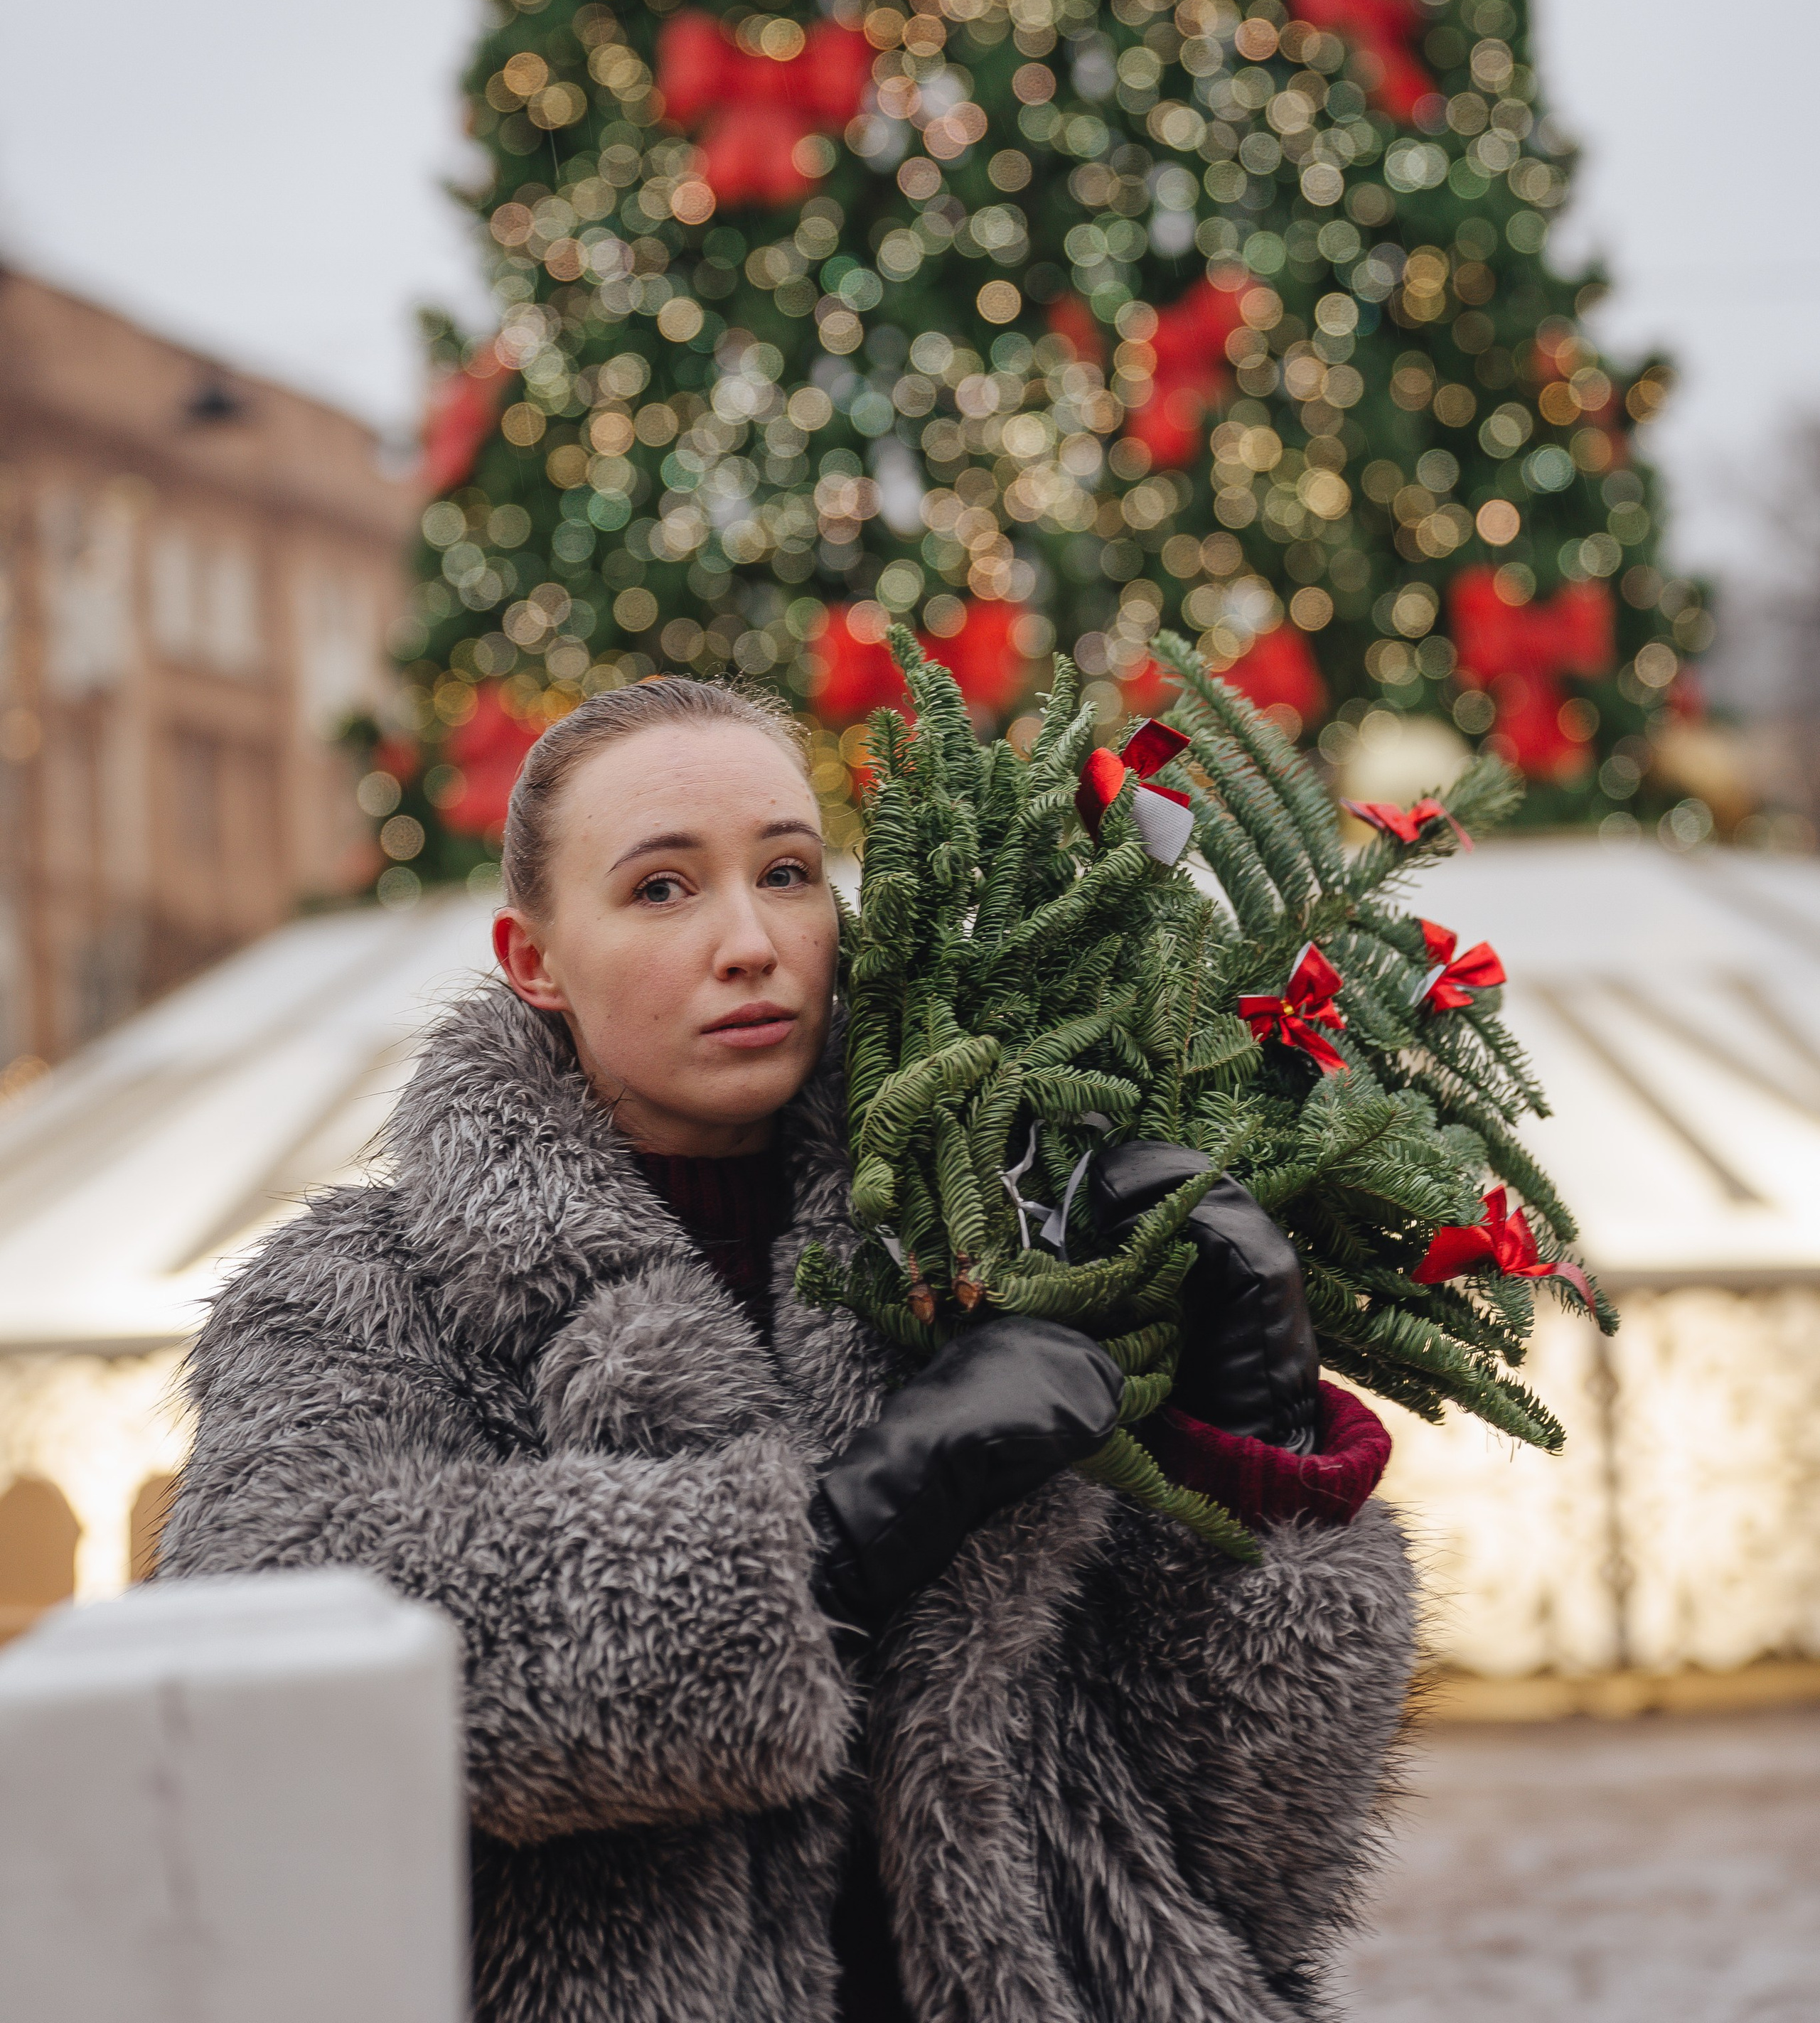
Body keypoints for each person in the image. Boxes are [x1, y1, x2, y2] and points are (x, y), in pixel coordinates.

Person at [161, 677, 1414, 2023]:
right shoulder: (361, 1291)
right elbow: (275, 1674)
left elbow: (1259, 1848)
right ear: (534, 958)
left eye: (788, 871)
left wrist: (1265, 1449)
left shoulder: (1001, 1244)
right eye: (660, 890)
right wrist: (845, 1530)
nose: (750, 941)